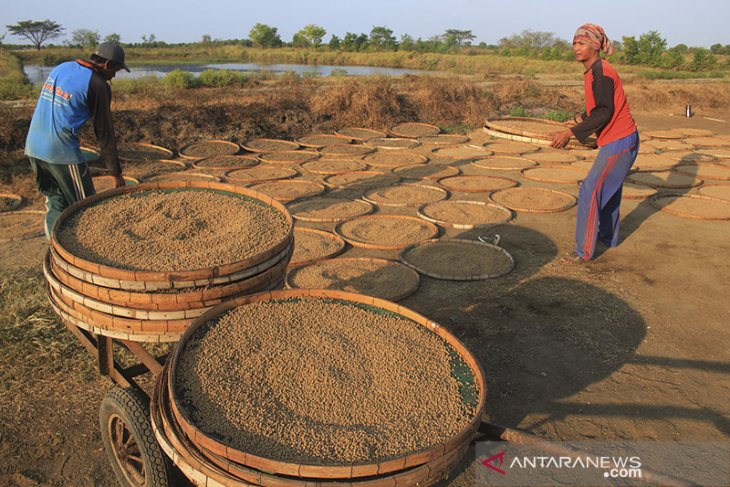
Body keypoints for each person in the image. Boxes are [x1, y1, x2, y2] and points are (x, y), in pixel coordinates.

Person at [550, 24, 639, 263]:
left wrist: (570, 132)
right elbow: (598, 107)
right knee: (609, 192)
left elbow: (604, 112)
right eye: (574, 43)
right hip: (623, 138)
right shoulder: (595, 71)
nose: (576, 48)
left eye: (582, 44)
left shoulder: (601, 72)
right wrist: (580, 119)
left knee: (590, 191)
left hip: (618, 141)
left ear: (595, 46)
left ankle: (583, 253)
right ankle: (607, 239)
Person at [25, 41, 129, 238]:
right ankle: (88, 255)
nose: (114, 75)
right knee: (86, 208)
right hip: (61, 152)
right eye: (116, 69)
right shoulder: (98, 85)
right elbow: (104, 132)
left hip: (34, 146)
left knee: (56, 200)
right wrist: (115, 173)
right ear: (106, 65)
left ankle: (55, 247)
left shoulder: (62, 67)